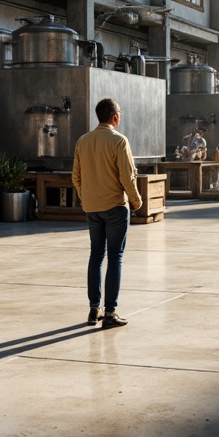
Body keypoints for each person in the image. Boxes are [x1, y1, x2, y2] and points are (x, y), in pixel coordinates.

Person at [72, 98, 142, 329]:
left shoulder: (83, 141)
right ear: (114, 117)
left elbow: (76, 177)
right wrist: (136, 200)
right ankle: (110, 312)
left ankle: (94, 309)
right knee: (115, 257)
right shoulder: (119, 141)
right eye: (119, 113)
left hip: (92, 208)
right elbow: (127, 177)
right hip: (115, 208)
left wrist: (86, 198)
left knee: (96, 256)